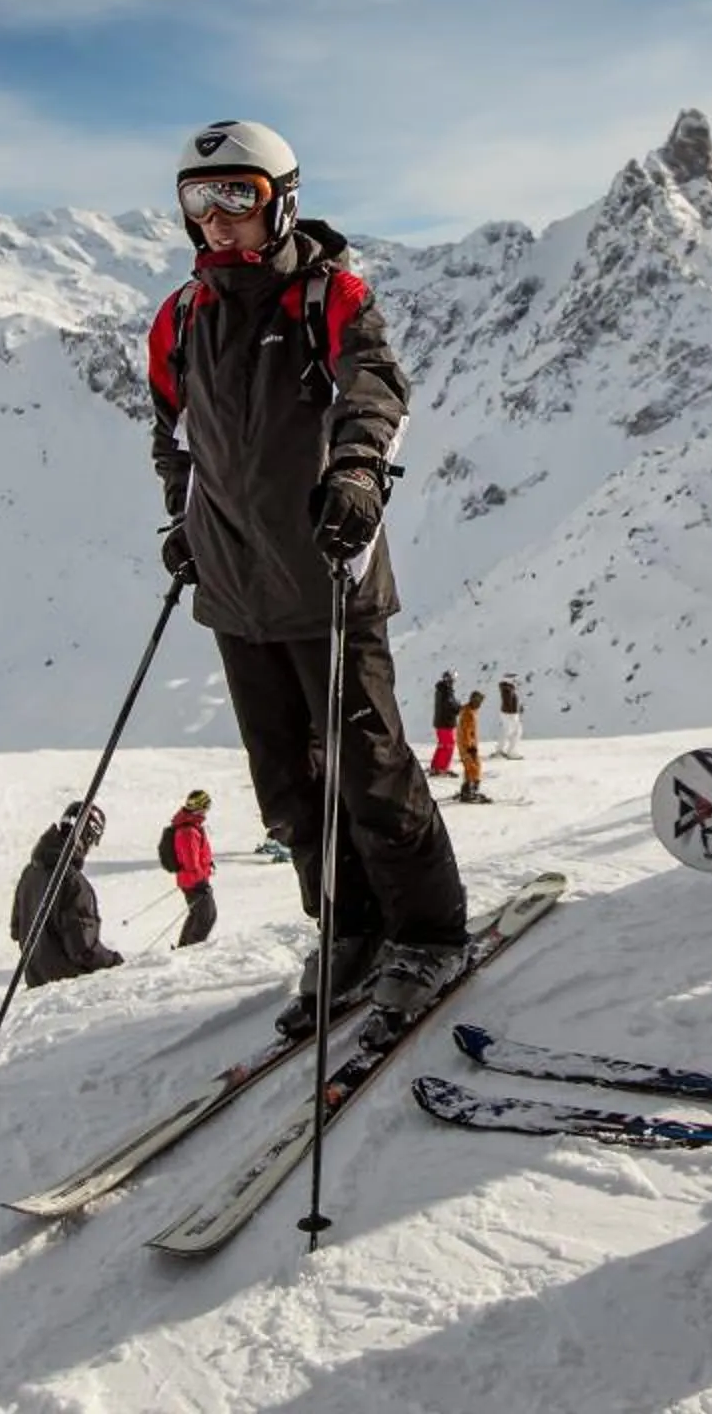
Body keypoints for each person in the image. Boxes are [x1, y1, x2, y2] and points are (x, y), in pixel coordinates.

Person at [148, 118, 471, 1039]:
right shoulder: (181, 318)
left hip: (330, 568)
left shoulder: (328, 297)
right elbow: (172, 437)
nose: (216, 221)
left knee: (368, 768)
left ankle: (429, 931)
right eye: (198, 202)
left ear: (279, 198)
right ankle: (351, 927)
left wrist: (358, 476)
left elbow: (376, 389)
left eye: (236, 199)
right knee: (287, 785)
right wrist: (183, 522)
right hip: (236, 586)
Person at [12, 802, 123, 983]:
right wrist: (114, 962)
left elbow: (18, 930)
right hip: (69, 990)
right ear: (86, 837)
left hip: (36, 983)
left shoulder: (30, 873)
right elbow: (83, 949)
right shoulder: (73, 883)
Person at [167, 789, 218, 947]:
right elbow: (190, 862)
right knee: (206, 917)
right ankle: (190, 951)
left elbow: (197, 855)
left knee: (198, 915)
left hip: (192, 880)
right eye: (206, 807)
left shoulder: (191, 825)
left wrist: (208, 863)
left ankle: (184, 948)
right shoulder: (189, 830)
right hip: (194, 882)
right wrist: (200, 881)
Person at [453, 688, 487, 804]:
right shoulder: (469, 713)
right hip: (467, 745)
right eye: (479, 701)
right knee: (474, 767)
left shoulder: (469, 711)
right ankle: (470, 791)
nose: (480, 704)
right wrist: (470, 747)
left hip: (467, 744)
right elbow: (466, 731)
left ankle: (467, 789)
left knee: (470, 767)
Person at [429, 670, 461, 777]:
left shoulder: (441, 689)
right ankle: (442, 768)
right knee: (448, 745)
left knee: (442, 745)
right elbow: (450, 705)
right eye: (453, 679)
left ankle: (435, 766)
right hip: (446, 723)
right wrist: (459, 708)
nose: (454, 681)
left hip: (440, 722)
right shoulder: (447, 691)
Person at [494, 676, 523, 759]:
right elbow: (508, 702)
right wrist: (514, 709)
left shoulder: (507, 689)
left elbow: (510, 701)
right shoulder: (508, 689)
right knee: (514, 732)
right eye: (514, 680)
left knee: (509, 732)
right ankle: (509, 752)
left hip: (510, 713)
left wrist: (517, 708)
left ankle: (501, 751)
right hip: (510, 714)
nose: (516, 682)